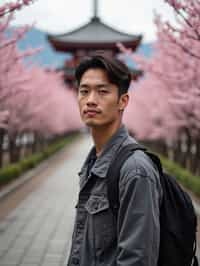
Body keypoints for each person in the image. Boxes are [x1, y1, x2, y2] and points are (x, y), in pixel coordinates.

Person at [67, 52, 163, 266]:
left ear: (123, 101)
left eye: (102, 91)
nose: (90, 100)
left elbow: (137, 260)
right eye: (84, 91)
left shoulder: (136, 171)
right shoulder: (93, 161)